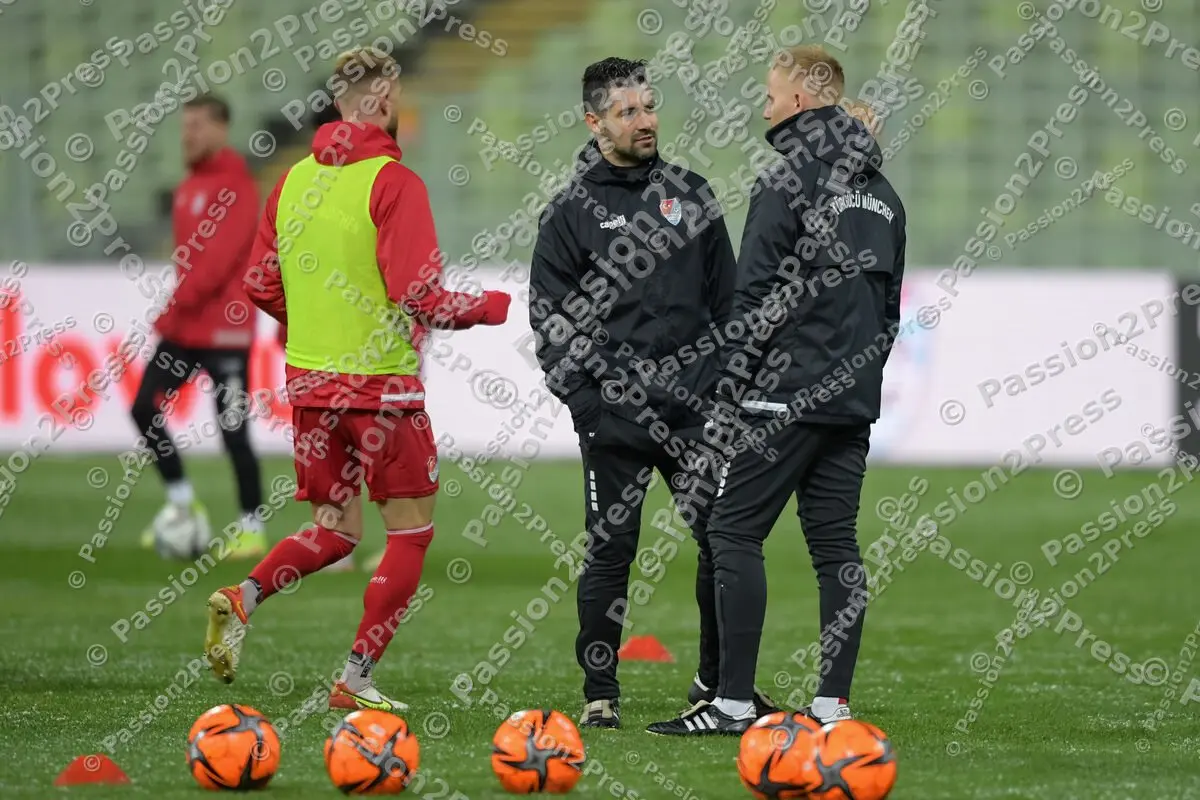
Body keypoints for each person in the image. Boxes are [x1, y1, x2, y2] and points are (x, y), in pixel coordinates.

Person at [204, 46, 510, 712]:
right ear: (386, 95)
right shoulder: (395, 183)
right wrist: (492, 306)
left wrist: (314, 320)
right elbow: (420, 296)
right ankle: (355, 678)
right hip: (383, 393)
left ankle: (243, 596)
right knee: (409, 534)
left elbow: (259, 283)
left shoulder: (290, 183)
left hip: (312, 390)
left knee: (335, 531)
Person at [648, 45, 907, 736]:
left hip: (780, 395)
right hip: (852, 401)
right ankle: (832, 706)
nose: (763, 105)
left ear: (800, 98)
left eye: (770, 93)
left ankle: (731, 703)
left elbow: (755, 297)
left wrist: (731, 388)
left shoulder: (786, 180)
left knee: (732, 530)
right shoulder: (884, 198)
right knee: (836, 548)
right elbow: (889, 310)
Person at [529, 56, 776, 729]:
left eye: (649, 106)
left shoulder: (692, 193)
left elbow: (728, 303)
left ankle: (718, 686)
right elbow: (551, 321)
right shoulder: (570, 214)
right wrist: (586, 405)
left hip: (696, 414)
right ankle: (599, 692)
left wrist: (725, 395)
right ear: (594, 121)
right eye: (628, 111)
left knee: (723, 542)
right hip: (614, 418)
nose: (645, 121)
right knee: (611, 552)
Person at [132, 94, 265, 559]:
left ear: (221, 129)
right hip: (187, 331)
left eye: (197, 126)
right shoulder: (189, 187)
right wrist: (176, 316)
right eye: (184, 126)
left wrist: (170, 312)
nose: (187, 135)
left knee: (232, 430)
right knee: (143, 408)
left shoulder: (237, 187)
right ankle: (182, 505)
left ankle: (252, 526)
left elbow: (213, 267)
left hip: (225, 330)